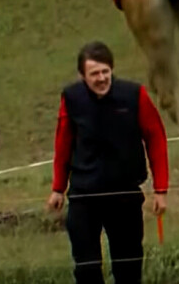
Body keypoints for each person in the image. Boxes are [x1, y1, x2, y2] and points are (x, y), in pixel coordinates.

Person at [47, 41, 169, 284]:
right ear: (82, 76)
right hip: (84, 195)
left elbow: (156, 137)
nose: (102, 78)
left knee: (128, 267)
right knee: (86, 268)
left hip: (124, 194)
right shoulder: (71, 98)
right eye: (95, 74)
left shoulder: (134, 95)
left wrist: (161, 189)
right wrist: (58, 188)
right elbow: (63, 144)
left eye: (106, 72)